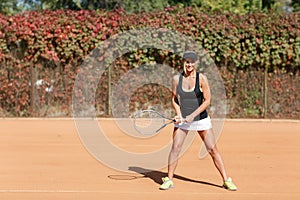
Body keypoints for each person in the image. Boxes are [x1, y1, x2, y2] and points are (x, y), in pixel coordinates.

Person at [159, 51, 237, 191]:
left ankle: (226, 180)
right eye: (187, 62)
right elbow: (174, 99)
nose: (189, 64)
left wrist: (192, 115)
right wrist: (178, 113)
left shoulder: (202, 79)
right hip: (183, 119)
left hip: (201, 119)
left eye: (192, 62)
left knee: (212, 149)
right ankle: (169, 179)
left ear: (196, 63)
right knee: (176, 148)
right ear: (183, 62)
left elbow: (207, 101)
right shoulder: (177, 79)